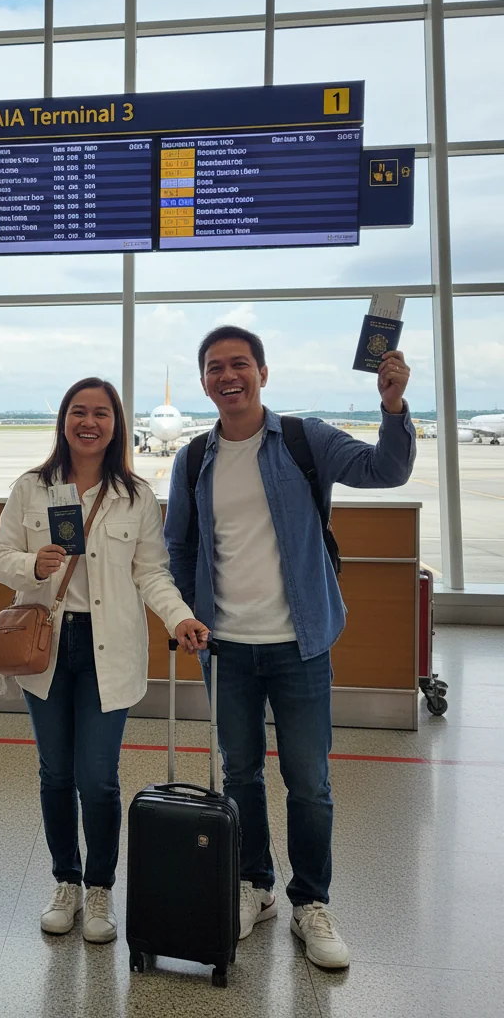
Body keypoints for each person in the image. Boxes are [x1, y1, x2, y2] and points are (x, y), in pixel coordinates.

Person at [164, 325, 416, 970]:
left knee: (309, 781)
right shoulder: (194, 459)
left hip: (299, 645)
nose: (229, 377)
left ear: (263, 373)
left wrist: (392, 405)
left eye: (240, 364)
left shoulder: (305, 439)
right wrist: (190, 616)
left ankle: (312, 901)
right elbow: (180, 547)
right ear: (204, 382)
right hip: (227, 649)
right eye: (216, 367)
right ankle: (256, 886)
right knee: (240, 773)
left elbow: (384, 470)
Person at [0, 378, 210, 944]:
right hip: (47, 646)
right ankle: (66, 881)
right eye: (79, 412)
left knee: (97, 779)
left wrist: (178, 617)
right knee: (55, 774)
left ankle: (101, 886)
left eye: (101, 413)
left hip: (109, 647)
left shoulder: (133, 495)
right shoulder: (31, 488)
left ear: (116, 424)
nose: (89, 422)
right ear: (63, 420)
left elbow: (151, 572)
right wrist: (34, 567)